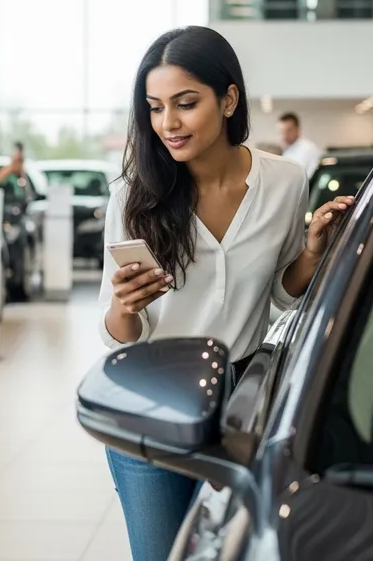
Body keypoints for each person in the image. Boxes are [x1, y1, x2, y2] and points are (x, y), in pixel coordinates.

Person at [98, 27, 352, 561]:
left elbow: (280, 299)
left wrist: (308, 255)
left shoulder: (284, 183)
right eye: (155, 107)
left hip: (241, 404)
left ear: (228, 98)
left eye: (186, 104)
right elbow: (117, 332)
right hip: (152, 399)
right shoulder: (132, 195)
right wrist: (126, 306)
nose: (168, 123)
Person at [277, 112, 322, 176]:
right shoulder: (287, 152)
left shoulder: (309, 149)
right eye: (281, 132)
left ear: (298, 129)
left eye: (289, 130)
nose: (284, 136)